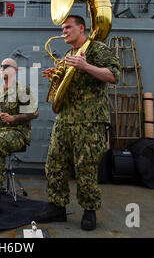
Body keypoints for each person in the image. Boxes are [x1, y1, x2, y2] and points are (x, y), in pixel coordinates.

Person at [37, 15, 120, 231]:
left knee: (86, 167)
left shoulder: (97, 49)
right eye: (62, 28)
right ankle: (57, 207)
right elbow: (66, 81)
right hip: (66, 118)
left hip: (90, 120)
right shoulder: (68, 54)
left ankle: (89, 211)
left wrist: (86, 66)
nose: (63, 31)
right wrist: (55, 75)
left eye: (68, 27)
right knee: (54, 163)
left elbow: (113, 75)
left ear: (81, 28)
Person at [0, 58, 38, 212]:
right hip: (0, 131)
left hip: (18, 132)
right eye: (1, 67)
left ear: (15, 70)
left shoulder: (23, 90)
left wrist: (14, 118)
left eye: (6, 66)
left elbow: (34, 113)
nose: (2, 69)